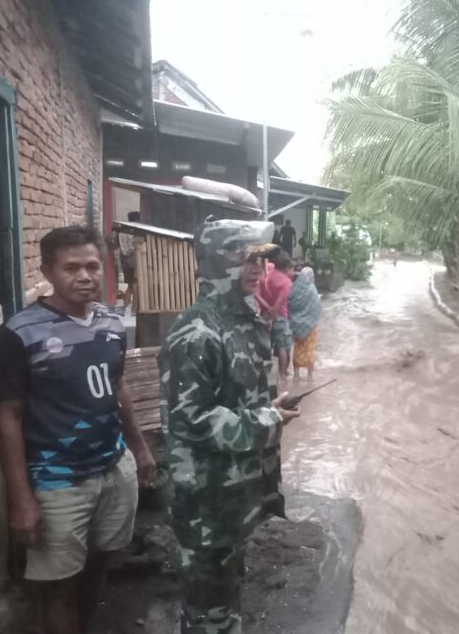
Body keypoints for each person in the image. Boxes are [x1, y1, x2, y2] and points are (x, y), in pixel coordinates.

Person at [0, 225, 155, 634]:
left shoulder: (111, 322)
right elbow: (7, 416)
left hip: (112, 468)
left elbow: (117, 387)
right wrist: (21, 499)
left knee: (100, 562)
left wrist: (140, 448)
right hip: (57, 481)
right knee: (57, 585)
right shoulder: (18, 334)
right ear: (47, 270)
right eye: (71, 268)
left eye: (93, 266)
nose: (84, 276)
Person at [159, 218, 299, 633]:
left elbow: (234, 396)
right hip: (205, 501)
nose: (257, 268)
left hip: (232, 495)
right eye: (245, 256)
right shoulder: (196, 333)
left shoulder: (240, 320)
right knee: (206, 611)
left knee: (225, 596)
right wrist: (265, 419)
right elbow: (191, 420)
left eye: (260, 258)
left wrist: (267, 405)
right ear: (216, 260)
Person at [258, 251, 295, 380]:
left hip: (265, 315)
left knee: (267, 347)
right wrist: (273, 313)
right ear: (286, 267)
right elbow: (279, 304)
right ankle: (282, 375)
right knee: (283, 347)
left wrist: (267, 313)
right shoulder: (286, 283)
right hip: (279, 316)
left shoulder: (267, 275)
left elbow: (258, 293)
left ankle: (267, 376)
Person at [288, 266, 321, 381]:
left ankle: (296, 375)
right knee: (310, 349)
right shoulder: (312, 289)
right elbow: (317, 307)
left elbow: (290, 304)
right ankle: (310, 376)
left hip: (296, 325)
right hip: (311, 326)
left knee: (297, 349)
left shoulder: (293, 288)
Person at [117, 211, 141, 313]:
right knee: (135, 284)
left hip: (124, 260)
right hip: (133, 259)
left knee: (130, 285)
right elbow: (132, 246)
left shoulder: (122, 230)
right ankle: (134, 309)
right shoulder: (133, 230)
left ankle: (125, 307)